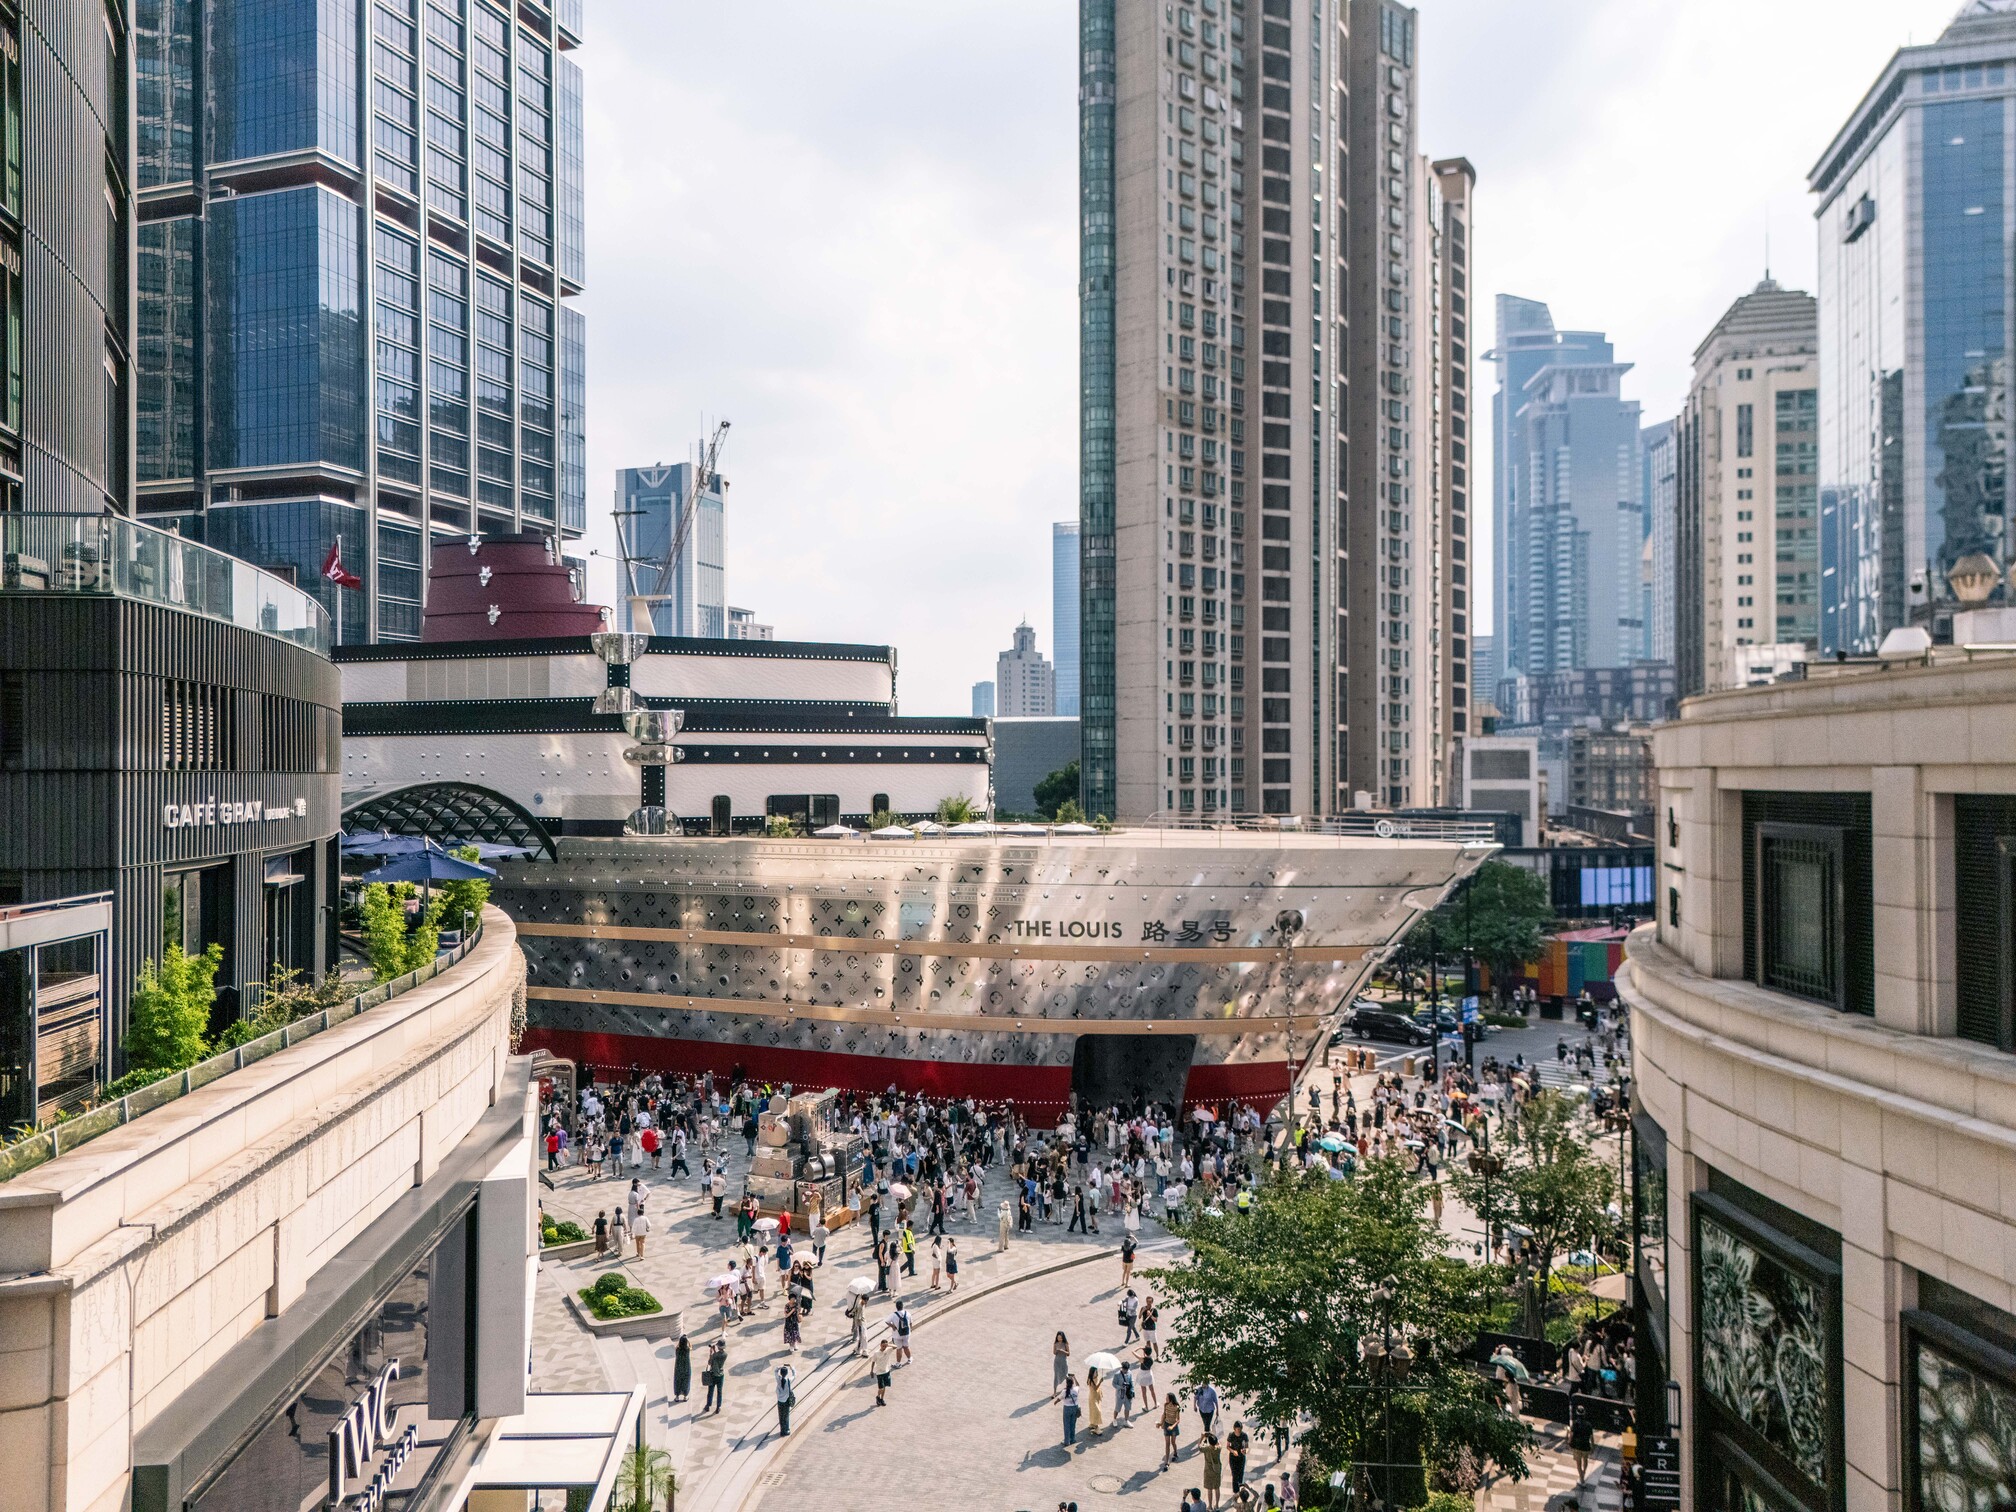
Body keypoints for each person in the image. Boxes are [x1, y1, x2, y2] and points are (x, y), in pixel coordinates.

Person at [1568, 1401, 1594, 1482]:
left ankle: (1581, 1477)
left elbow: (1571, 1435)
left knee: (1578, 1462)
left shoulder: (1575, 1424)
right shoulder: (1589, 1425)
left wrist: (1569, 1442)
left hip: (1576, 1446)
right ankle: (1584, 1472)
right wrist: (1592, 1447)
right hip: (1586, 1445)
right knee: (1585, 1460)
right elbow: (1591, 1437)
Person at [1198, 1429, 1223, 1509]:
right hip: (1217, 1470)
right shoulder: (1218, 1448)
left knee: (1209, 1489)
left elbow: (1199, 1447)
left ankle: (1210, 1506)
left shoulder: (1206, 1449)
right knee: (1217, 1488)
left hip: (1208, 1470)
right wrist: (1213, 1435)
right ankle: (1217, 1505)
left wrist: (1202, 1437)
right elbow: (1218, 1443)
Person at [702, 1338, 727, 1415]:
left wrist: (711, 1353)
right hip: (720, 1375)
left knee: (710, 1391)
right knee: (719, 1392)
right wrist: (714, 1352)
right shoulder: (725, 1354)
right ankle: (718, 1407)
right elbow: (718, 1358)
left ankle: (708, 1405)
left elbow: (710, 1363)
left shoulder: (714, 1355)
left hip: (713, 1375)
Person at [1160, 1391, 1184, 1467]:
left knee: (1173, 1442)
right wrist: (1161, 1423)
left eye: (1167, 1398)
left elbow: (1178, 1420)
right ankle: (1167, 1461)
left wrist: (1172, 1427)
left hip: (1173, 1426)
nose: (1165, 1399)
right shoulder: (1165, 1405)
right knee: (1167, 1444)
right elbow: (1164, 1414)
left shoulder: (1177, 1407)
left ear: (1171, 1399)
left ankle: (1175, 1453)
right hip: (1167, 1425)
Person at [774, 1363, 797, 1437]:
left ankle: (782, 1430)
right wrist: (792, 1368)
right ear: (786, 1373)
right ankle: (786, 1430)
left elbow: (775, 1371)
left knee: (781, 1416)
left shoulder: (778, 1379)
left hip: (780, 1401)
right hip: (786, 1401)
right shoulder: (788, 1380)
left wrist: (780, 1366)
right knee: (786, 1416)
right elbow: (794, 1375)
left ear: (781, 1373)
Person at [1226, 1421, 1249, 1492]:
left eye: (1240, 1429)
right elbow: (1227, 1446)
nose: (1239, 1430)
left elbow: (1247, 1446)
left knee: (1241, 1474)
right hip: (1233, 1458)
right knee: (1234, 1475)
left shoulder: (1244, 1435)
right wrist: (1233, 1451)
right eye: (1237, 1429)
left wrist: (1245, 1451)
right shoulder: (1231, 1435)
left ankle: (1240, 1490)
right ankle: (1236, 1491)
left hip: (1241, 1457)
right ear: (1234, 1428)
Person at [873, 1337, 895, 1406]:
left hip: (886, 1371)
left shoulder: (888, 1350)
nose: (884, 1347)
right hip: (879, 1372)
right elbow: (873, 1361)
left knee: (884, 1386)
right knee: (881, 1388)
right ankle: (878, 1396)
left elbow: (896, 1346)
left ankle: (882, 1399)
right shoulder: (876, 1353)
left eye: (885, 1346)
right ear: (880, 1345)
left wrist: (888, 1345)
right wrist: (871, 1371)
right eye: (883, 1346)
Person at [1061, 1373, 1081, 1447]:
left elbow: (1060, 1398)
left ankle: (1066, 1441)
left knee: (1067, 1424)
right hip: (1075, 1408)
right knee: (1073, 1424)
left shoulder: (1064, 1391)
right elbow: (1078, 1385)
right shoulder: (1076, 1389)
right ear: (1073, 1383)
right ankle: (1072, 1439)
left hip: (1067, 1408)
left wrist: (1055, 1402)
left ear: (1066, 1383)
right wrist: (1074, 1377)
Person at [891, 1300, 913, 1365]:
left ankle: (898, 1363)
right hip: (906, 1334)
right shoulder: (908, 1313)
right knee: (906, 1347)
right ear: (902, 1306)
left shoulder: (893, 1315)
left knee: (899, 1349)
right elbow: (911, 1323)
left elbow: (887, 1321)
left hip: (897, 1335)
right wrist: (910, 1330)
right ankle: (909, 1358)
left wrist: (892, 1326)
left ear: (896, 1307)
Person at [1052, 1331, 1071, 1402]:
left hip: (1063, 1362)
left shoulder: (1065, 1344)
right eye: (1058, 1338)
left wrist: (1063, 1351)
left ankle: (1068, 1387)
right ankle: (1054, 1392)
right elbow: (1054, 1353)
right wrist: (1057, 1351)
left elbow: (1068, 1353)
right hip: (1057, 1362)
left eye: (1060, 1338)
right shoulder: (1055, 1344)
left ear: (1063, 1338)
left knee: (1065, 1375)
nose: (1059, 1339)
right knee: (1056, 1376)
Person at [846, 1290, 867, 1356]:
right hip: (860, 1323)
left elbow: (855, 1309)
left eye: (866, 1301)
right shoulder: (860, 1306)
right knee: (862, 1337)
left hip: (862, 1322)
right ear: (863, 1299)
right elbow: (858, 1316)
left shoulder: (861, 1303)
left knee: (864, 1336)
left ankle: (861, 1349)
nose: (866, 1302)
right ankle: (859, 1349)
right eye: (865, 1301)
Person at [672, 1335, 692, 1403]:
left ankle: (677, 1396)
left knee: (677, 1381)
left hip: (678, 1368)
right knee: (686, 1381)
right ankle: (685, 1396)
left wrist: (679, 1342)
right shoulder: (687, 1350)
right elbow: (691, 1346)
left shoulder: (677, 1350)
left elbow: (676, 1347)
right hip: (686, 1367)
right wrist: (688, 1340)